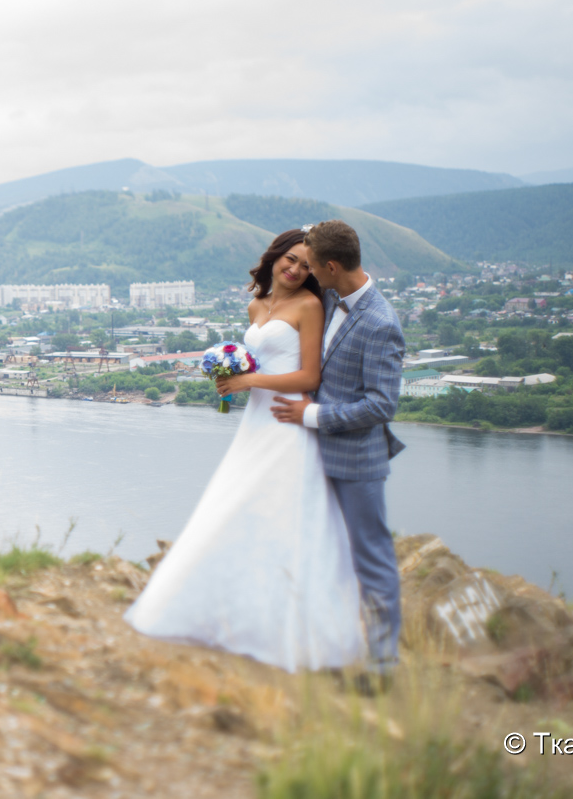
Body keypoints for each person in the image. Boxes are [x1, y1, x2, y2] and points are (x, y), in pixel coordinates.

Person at [122, 228, 366, 672]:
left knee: (278, 510)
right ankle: (232, 614)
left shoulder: (310, 306)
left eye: (306, 265)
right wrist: (230, 379)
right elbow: (257, 359)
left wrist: (248, 380)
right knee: (238, 506)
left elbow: (309, 376)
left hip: (287, 421)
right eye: (289, 260)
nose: (295, 270)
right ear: (274, 257)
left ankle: (285, 630)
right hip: (254, 422)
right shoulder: (257, 305)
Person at [270, 219, 406, 691]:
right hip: (308, 456)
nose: (305, 271)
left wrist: (312, 416)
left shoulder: (381, 322)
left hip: (356, 461)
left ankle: (384, 667)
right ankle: (323, 645)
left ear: (331, 266)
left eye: (312, 265)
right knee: (318, 551)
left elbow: (382, 404)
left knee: (371, 557)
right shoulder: (329, 295)